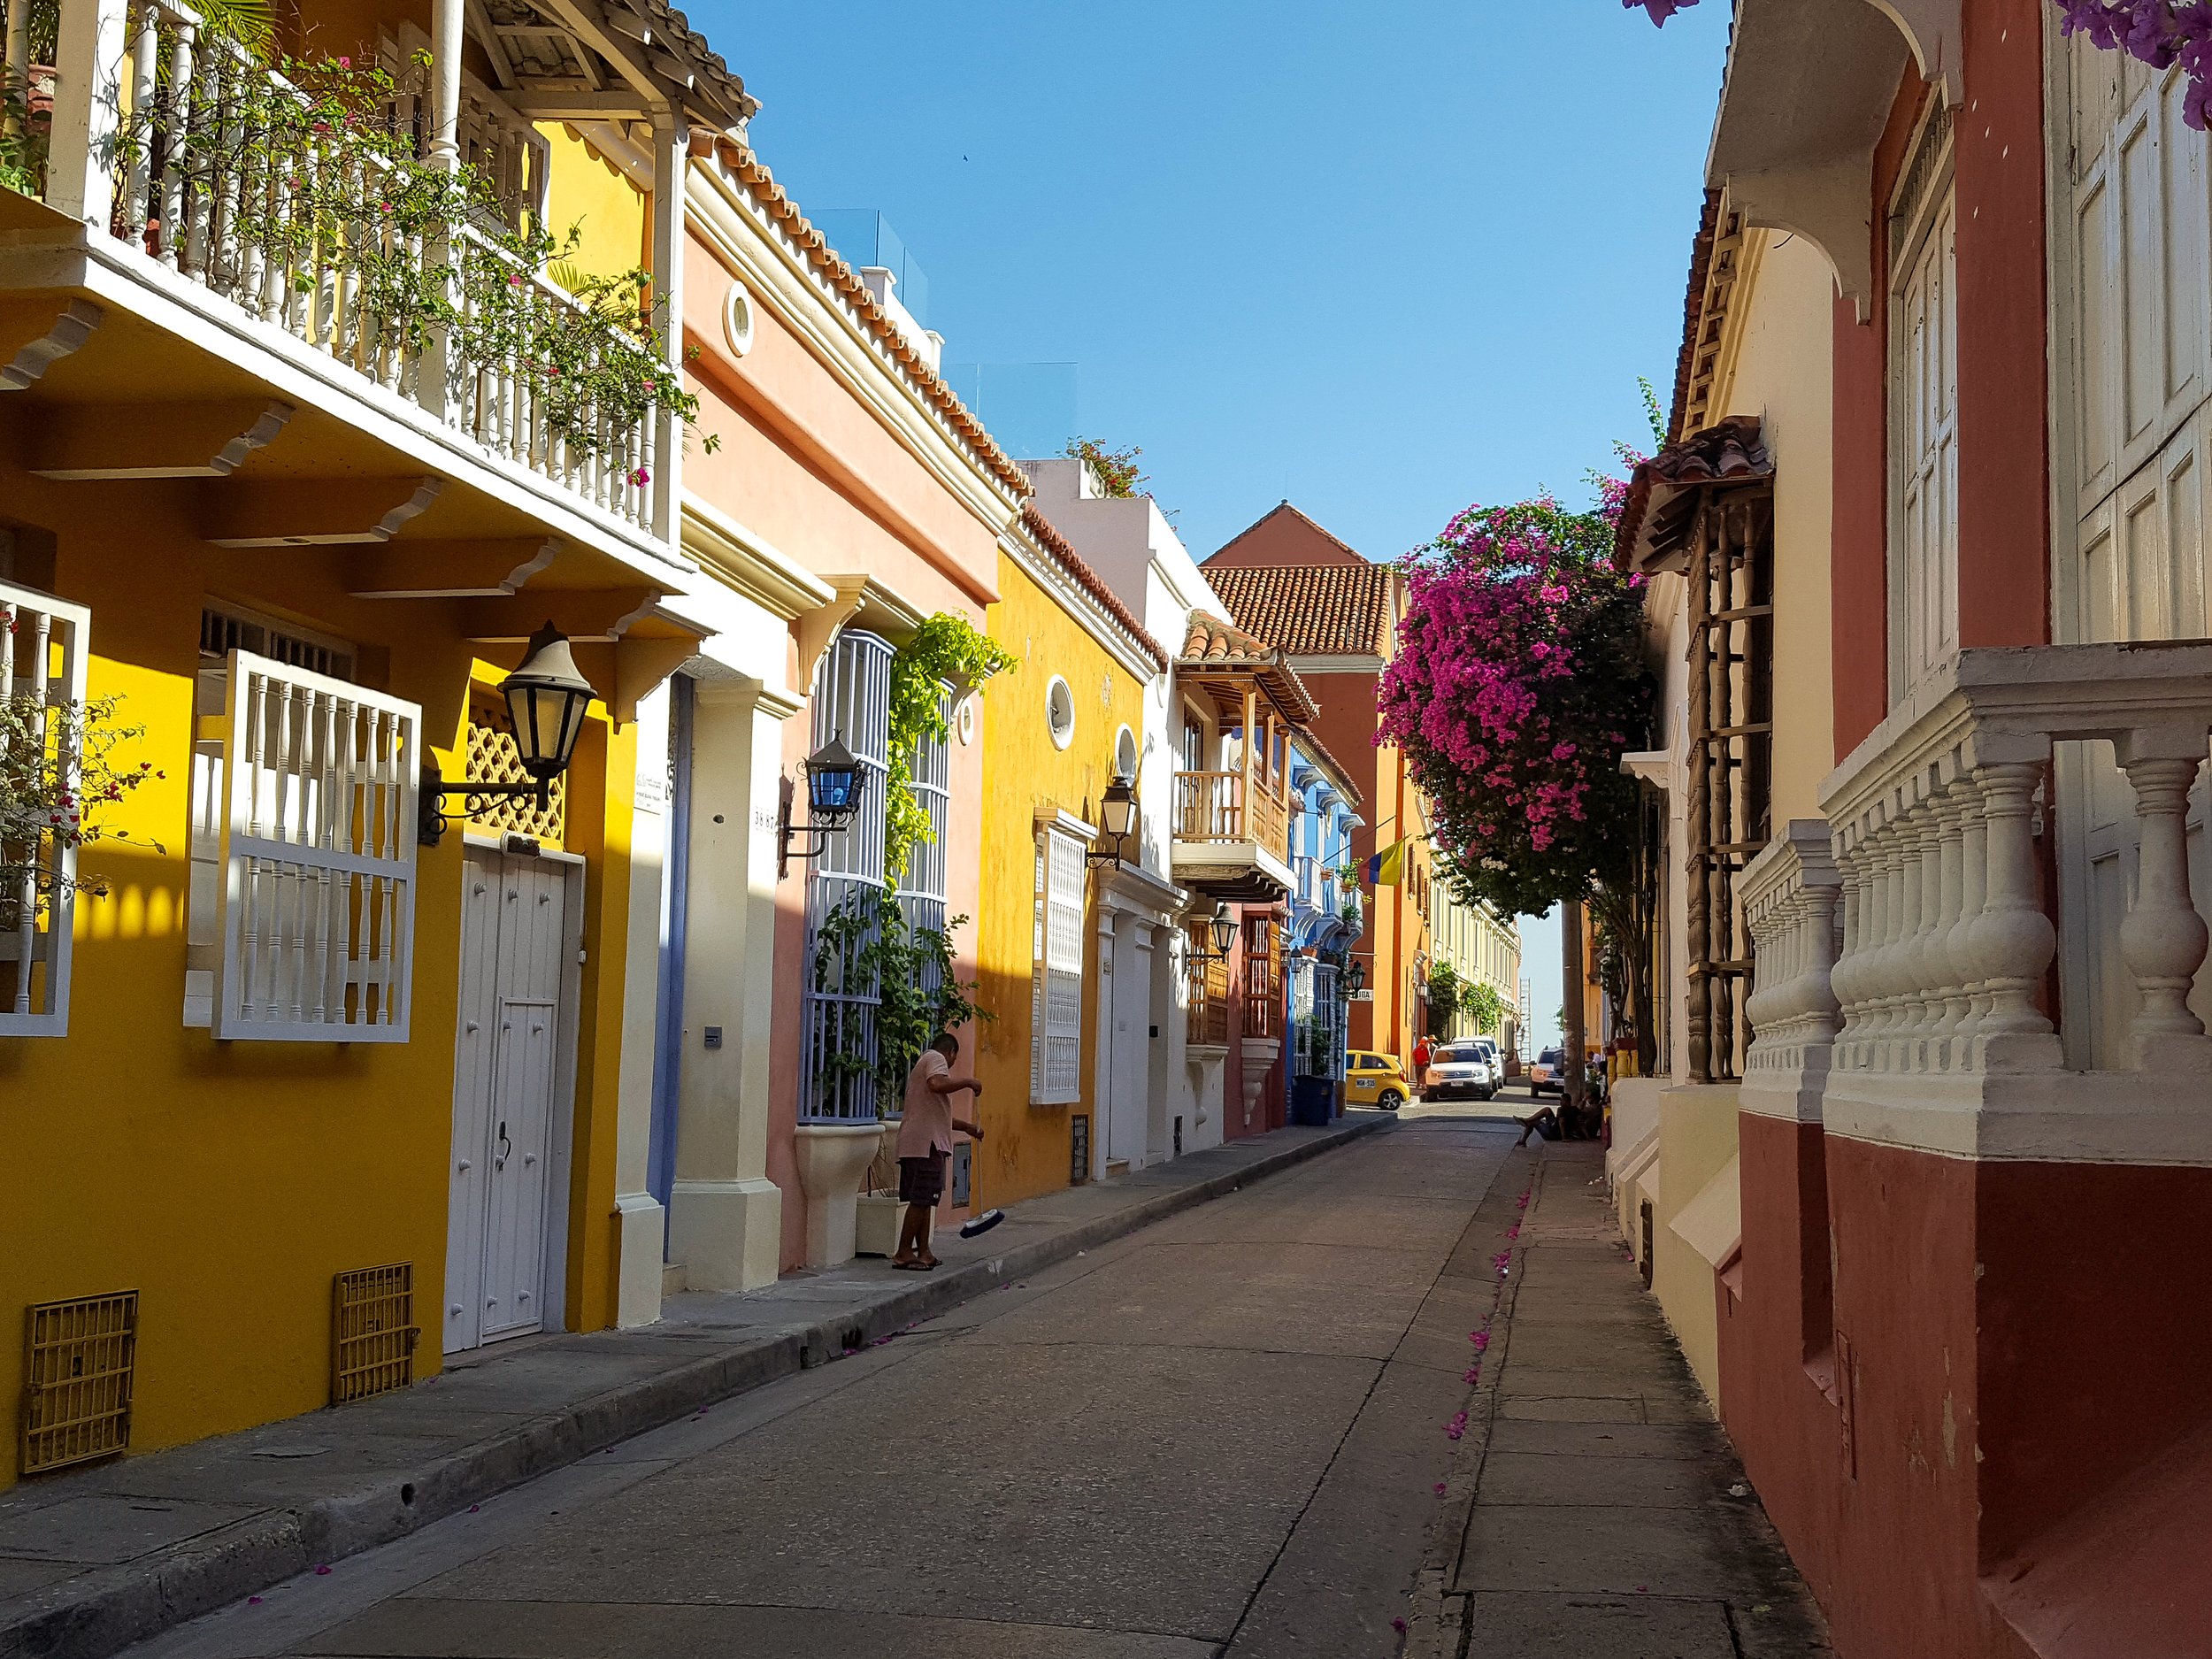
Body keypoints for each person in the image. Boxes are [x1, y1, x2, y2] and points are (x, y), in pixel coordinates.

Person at [890, 1031, 984, 1271]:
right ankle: (903, 1251)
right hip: (926, 1145)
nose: (951, 1065)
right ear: (951, 1052)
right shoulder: (935, 1058)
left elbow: (939, 1117)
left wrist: (968, 1128)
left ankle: (924, 1252)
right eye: (954, 1059)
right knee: (921, 1200)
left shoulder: (923, 1063)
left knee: (925, 1200)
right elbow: (937, 1084)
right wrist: (968, 1082)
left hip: (916, 1142)